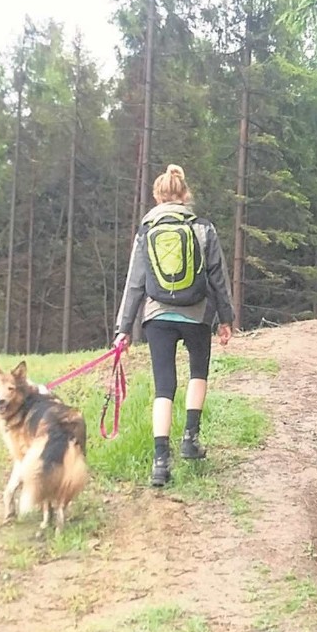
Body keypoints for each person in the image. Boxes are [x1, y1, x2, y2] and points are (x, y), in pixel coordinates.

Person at [114, 164, 234, 487]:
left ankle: (160, 462)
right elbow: (218, 277)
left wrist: (123, 328)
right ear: (184, 195)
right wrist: (226, 318)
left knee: (163, 387)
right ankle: (190, 439)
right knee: (198, 372)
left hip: (157, 317)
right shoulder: (202, 228)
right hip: (196, 314)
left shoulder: (146, 231)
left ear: (157, 197)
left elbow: (134, 283)